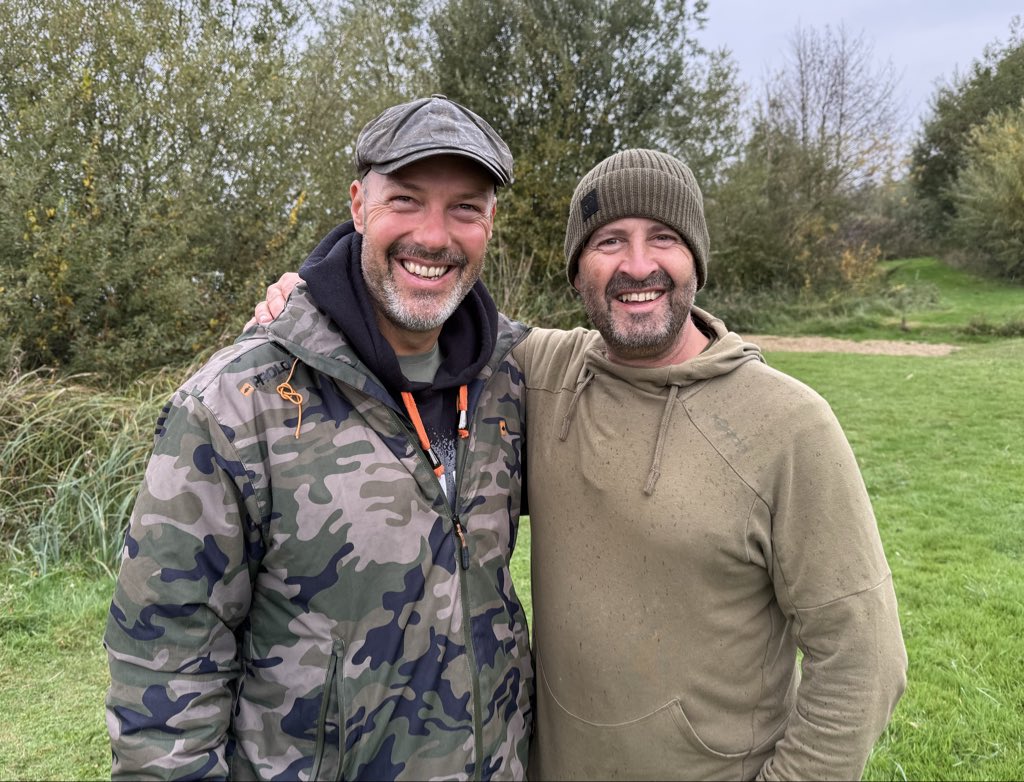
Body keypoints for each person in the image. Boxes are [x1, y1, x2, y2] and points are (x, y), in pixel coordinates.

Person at [256, 149, 908, 780]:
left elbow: (865, 659)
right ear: (576, 272)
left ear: (697, 261)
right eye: (609, 242)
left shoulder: (789, 425)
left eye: (664, 238)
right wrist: (313, 296)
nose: (638, 265)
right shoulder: (535, 374)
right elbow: (419, 301)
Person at [104, 95, 534, 781]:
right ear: (359, 206)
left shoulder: (511, 378)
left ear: (490, 224)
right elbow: (165, 667)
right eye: (406, 200)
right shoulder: (237, 403)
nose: (434, 236)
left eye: (465, 208)